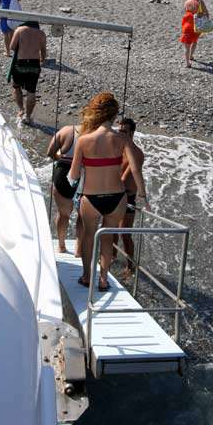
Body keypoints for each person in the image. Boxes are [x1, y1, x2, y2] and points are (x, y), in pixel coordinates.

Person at [69, 93, 149, 292]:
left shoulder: (84, 140)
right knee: (107, 238)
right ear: (114, 115)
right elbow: (136, 168)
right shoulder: (122, 138)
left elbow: (74, 174)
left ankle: (87, 277)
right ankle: (103, 279)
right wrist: (143, 195)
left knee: (88, 237)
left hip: (91, 198)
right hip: (117, 198)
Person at [114, 118, 145, 278]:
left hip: (127, 198)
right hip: (115, 194)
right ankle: (111, 257)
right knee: (111, 230)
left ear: (132, 133)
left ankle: (130, 267)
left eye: (124, 131)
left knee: (125, 234)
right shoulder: (119, 148)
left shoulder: (136, 153)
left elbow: (125, 177)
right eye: (119, 131)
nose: (121, 134)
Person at [47, 124, 83, 255]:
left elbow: (50, 152)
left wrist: (60, 157)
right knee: (83, 215)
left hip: (63, 174)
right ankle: (79, 250)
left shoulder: (66, 130)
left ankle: (61, 246)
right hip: (84, 174)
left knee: (63, 214)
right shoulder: (95, 133)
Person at [9, 21, 46, 125]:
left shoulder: (19, 30)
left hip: (21, 63)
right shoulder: (41, 33)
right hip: (34, 64)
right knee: (31, 91)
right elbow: (43, 51)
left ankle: (21, 110)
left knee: (16, 87)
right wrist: (42, 60)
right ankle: (28, 117)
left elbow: (12, 47)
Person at [180, 0, 209, 67]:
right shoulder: (200, 2)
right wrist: (206, 20)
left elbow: (185, 11)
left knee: (187, 45)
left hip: (187, 24)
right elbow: (206, 12)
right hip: (197, 24)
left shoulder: (186, 2)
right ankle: (191, 56)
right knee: (195, 41)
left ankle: (187, 63)